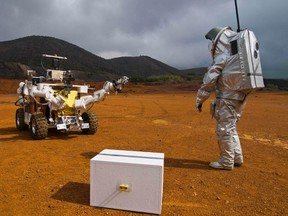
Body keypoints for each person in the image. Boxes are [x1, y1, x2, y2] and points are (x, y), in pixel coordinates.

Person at [196, 27, 247, 170]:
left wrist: (200, 99)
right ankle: (237, 158)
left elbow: (210, 79)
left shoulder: (223, 56)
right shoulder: (235, 56)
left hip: (227, 98)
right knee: (231, 128)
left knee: (224, 129)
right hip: (240, 96)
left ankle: (226, 161)